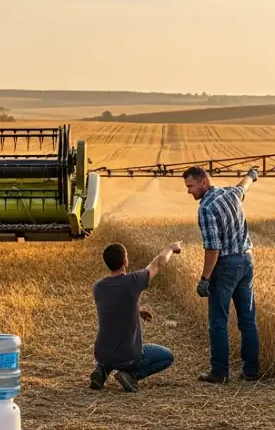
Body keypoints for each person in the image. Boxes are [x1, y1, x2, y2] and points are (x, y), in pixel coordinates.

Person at [183, 165, 261, 383]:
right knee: (247, 319)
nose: (188, 191)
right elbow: (243, 186)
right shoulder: (231, 193)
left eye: (191, 186)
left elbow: (213, 248)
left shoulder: (206, 208)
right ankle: (251, 371)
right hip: (246, 261)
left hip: (226, 266)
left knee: (218, 321)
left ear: (204, 182)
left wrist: (205, 279)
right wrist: (251, 175)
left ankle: (219, 372)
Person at [90, 242, 181, 392]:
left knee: (109, 350)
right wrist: (171, 248)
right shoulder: (132, 281)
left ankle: (101, 370)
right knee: (167, 356)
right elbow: (158, 263)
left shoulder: (98, 287)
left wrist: (136, 311)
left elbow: (113, 308)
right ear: (125, 260)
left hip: (102, 353)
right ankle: (130, 375)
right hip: (128, 356)